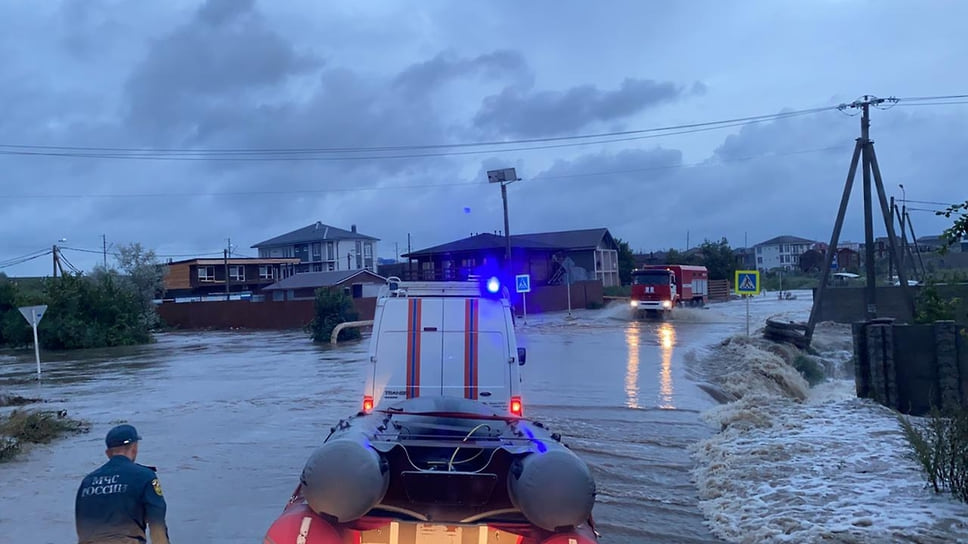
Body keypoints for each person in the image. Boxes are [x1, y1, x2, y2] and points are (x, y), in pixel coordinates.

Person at [75, 424, 171, 544]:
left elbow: (81, 527)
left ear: (108, 453)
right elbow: (157, 526)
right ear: (134, 447)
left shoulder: (87, 482)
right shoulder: (145, 476)